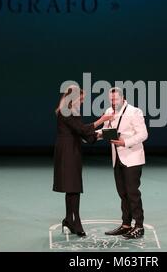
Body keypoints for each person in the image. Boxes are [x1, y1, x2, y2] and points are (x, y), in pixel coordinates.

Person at [53, 85, 113, 236]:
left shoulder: (72, 111)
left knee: (72, 185)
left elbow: (82, 132)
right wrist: (102, 120)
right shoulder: (66, 111)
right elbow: (81, 130)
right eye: (81, 99)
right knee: (73, 185)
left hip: (72, 149)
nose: (81, 102)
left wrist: (102, 135)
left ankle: (69, 219)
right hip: (67, 151)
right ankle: (75, 221)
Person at [100, 87, 148, 239]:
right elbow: (106, 131)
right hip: (117, 158)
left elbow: (143, 134)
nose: (113, 102)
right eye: (111, 100)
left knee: (133, 193)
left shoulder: (135, 112)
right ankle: (126, 225)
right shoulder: (109, 111)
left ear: (123, 98)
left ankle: (139, 226)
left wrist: (125, 142)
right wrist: (90, 135)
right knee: (123, 193)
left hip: (132, 157)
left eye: (115, 99)